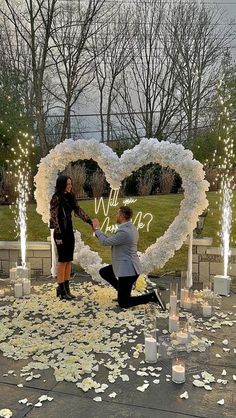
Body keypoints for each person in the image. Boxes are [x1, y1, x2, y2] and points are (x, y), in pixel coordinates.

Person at [92, 206, 166, 310]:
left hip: (127, 271)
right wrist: (98, 232)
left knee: (124, 303)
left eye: (118, 214)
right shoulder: (129, 228)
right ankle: (122, 293)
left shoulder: (125, 232)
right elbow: (111, 239)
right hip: (126, 267)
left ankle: (152, 297)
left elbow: (105, 242)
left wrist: (97, 229)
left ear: (122, 216)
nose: (116, 216)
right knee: (105, 272)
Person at [50, 175, 92, 300]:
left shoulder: (70, 196)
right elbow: (54, 217)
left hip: (68, 232)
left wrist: (89, 221)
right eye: (68, 184)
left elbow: (78, 211)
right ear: (62, 184)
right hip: (60, 232)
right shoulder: (56, 198)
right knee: (62, 260)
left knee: (68, 260)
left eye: (70, 184)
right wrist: (58, 234)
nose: (70, 186)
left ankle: (67, 289)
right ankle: (61, 289)